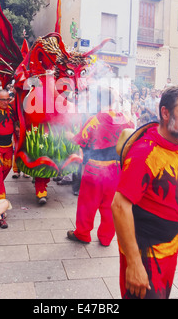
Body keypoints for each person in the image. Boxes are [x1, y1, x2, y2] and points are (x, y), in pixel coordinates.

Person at [112, 85, 178, 299]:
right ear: (165, 112)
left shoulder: (175, 145)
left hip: (169, 249)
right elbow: (119, 206)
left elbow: (170, 196)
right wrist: (133, 263)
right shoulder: (146, 153)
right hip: (146, 255)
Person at [67, 87, 133, 246]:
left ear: (97, 100)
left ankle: (82, 234)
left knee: (87, 204)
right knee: (110, 206)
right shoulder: (126, 118)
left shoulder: (95, 119)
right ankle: (105, 238)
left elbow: (80, 141)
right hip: (116, 170)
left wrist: (69, 135)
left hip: (95, 170)